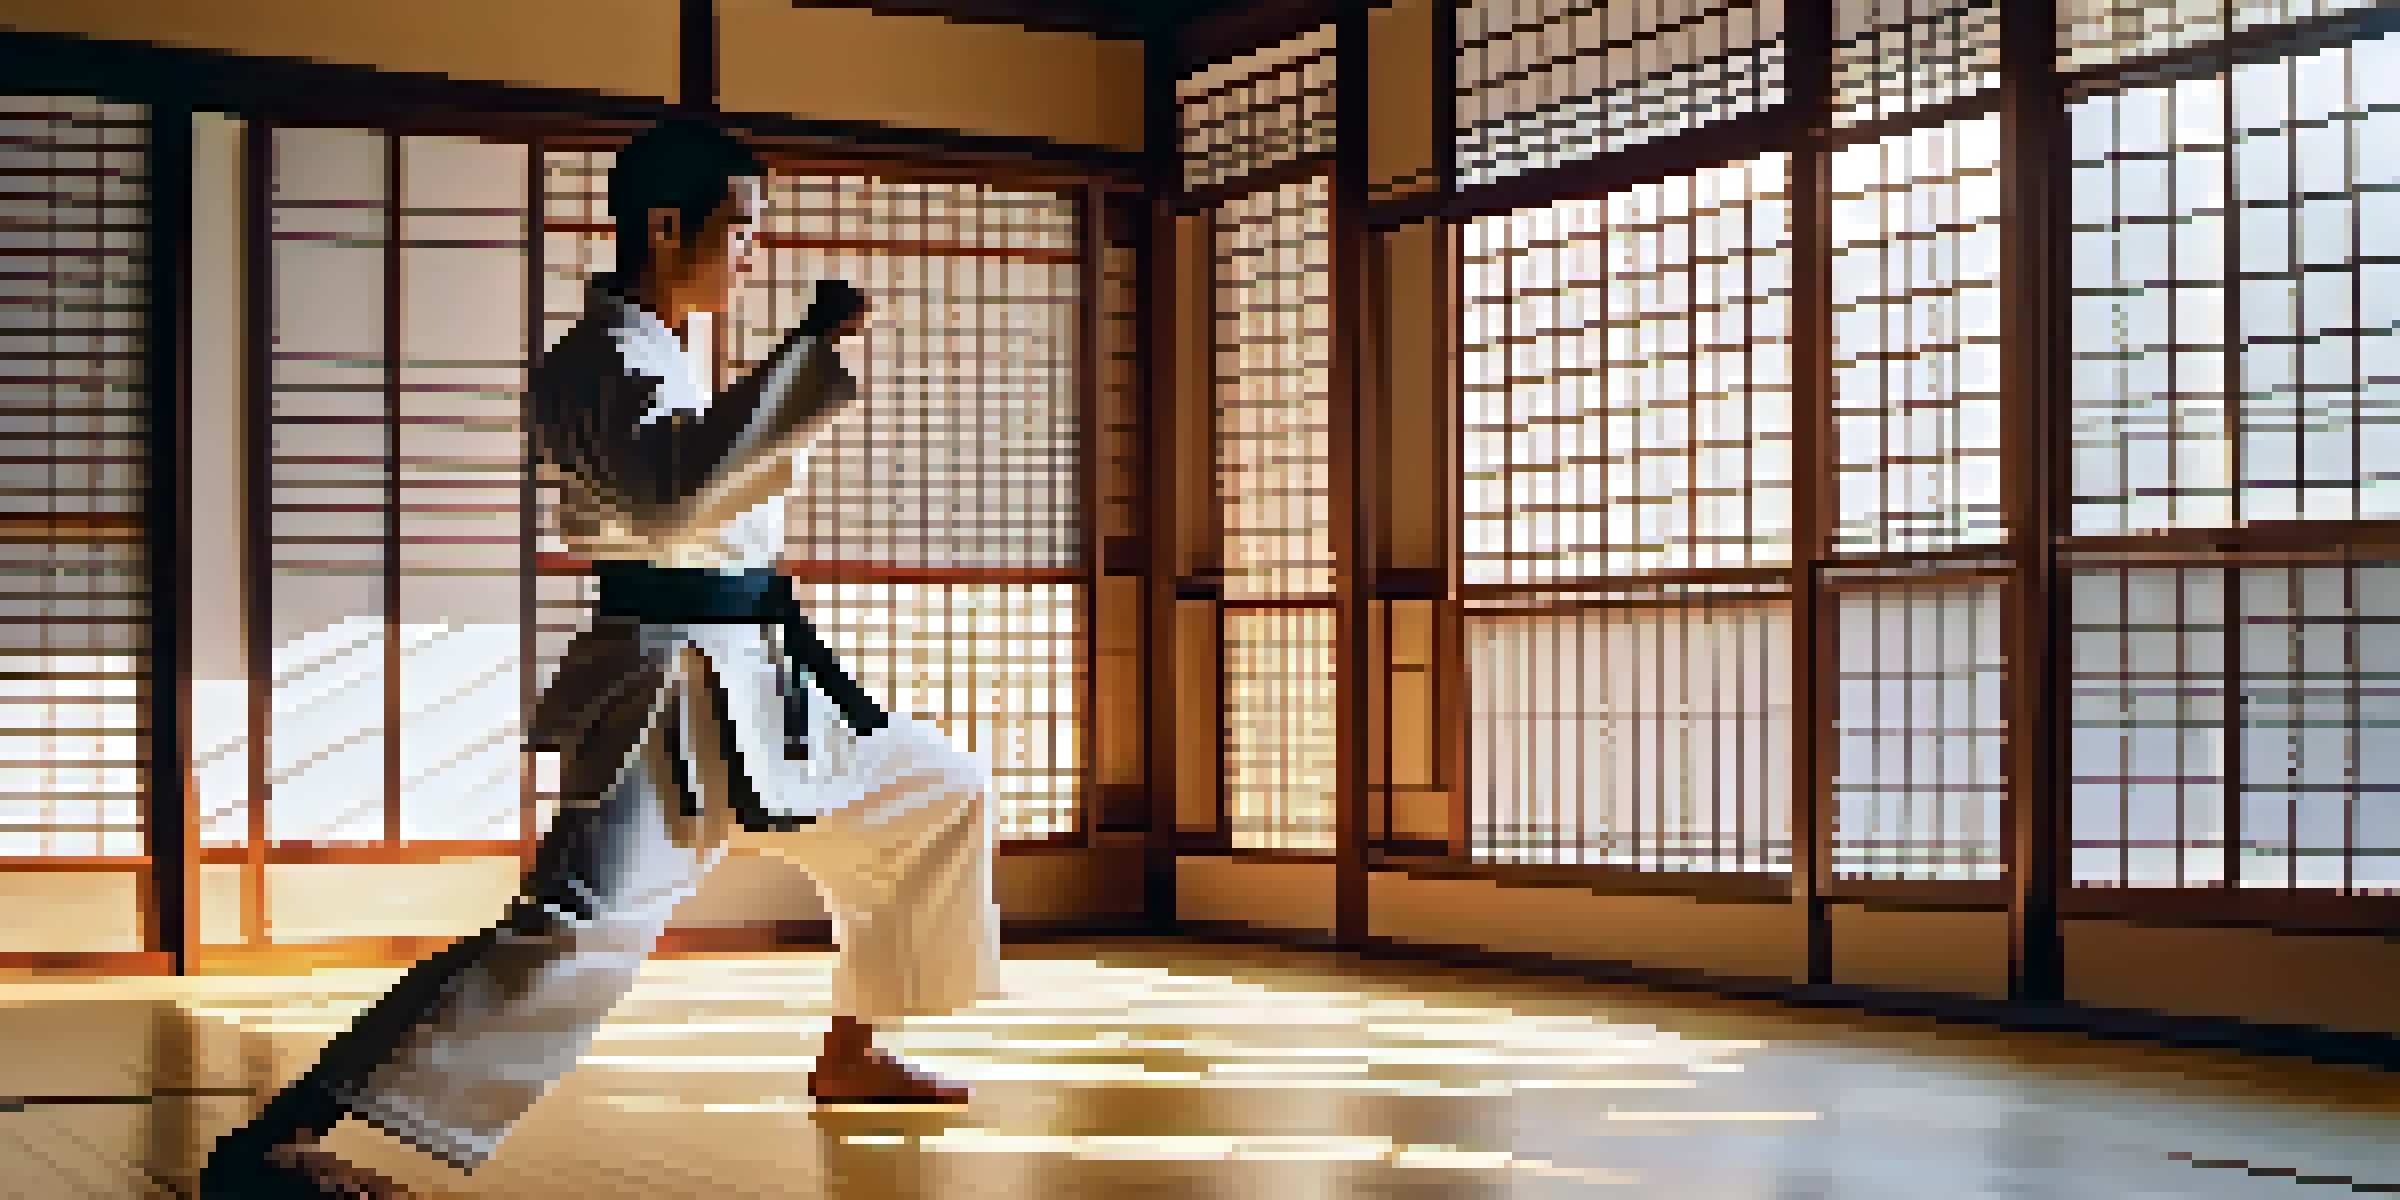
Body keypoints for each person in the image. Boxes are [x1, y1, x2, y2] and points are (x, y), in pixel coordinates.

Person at [201, 118, 1003, 1199]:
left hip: (758, 682)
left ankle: (854, 1049)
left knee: (937, 793)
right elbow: (676, 500)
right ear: (666, 226)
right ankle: (284, 1144)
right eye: (742, 228)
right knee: (568, 932)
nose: (753, 252)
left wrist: (794, 367)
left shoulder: (660, 349)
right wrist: (807, 352)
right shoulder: (599, 363)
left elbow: (706, 480)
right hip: (664, 690)